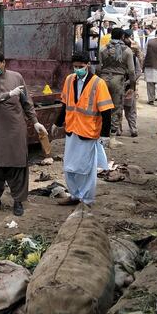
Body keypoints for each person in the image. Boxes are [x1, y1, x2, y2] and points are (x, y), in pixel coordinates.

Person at [0, 51, 47, 216]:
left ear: (4, 63)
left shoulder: (17, 77)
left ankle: (18, 200)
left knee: (17, 163)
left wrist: (35, 122)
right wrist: (9, 94)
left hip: (15, 127)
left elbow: (26, 102)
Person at [54, 54, 114, 206]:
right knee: (69, 167)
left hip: (88, 132)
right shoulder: (69, 80)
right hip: (72, 129)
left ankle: (87, 199)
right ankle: (74, 195)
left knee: (86, 169)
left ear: (87, 64)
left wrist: (105, 135)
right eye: (75, 66)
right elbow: (65, 103)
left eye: (81, 66)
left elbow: (106, 111)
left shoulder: (98, 83)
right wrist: (58, 122)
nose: (78, 69)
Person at [97, 28, 135, 136]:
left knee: (101, 106)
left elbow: (98, 67)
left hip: (103, 79)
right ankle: (112, 134)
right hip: (118, 80)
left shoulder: (103, 49)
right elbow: (132, 71)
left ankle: (101, 131)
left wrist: (97, 80)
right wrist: (132, 86)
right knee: (116, 107)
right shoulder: (127, 51)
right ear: (123, 37)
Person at [122, 34, 142, 136]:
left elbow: (138, 72)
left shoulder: (133, 59)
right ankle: (131, 129)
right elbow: (138, 72)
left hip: (126, 87)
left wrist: (127, 82)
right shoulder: (133, 58)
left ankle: (121, 129)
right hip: (129, 87)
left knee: (120, 109)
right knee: (130, 110)